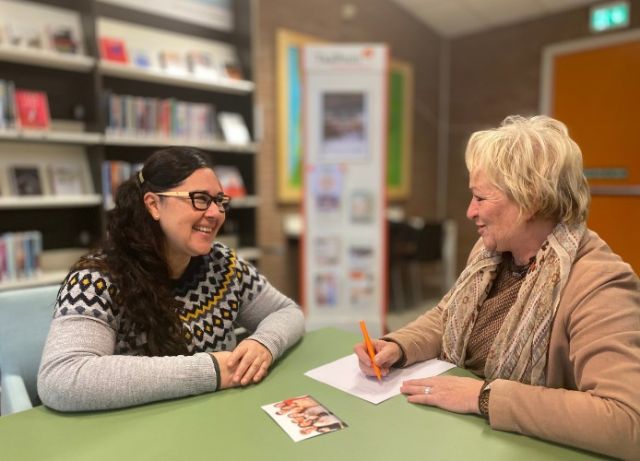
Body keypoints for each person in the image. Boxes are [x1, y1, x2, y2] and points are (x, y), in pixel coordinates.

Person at [354, 115, 640, 459]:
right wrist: (397, 346)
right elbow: (448, 315)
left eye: (480, 198)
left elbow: (627, 422)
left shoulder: (600, 283)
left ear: (530, 200)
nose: (469, 212)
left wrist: (483, 397)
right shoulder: (492, 252)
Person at [38, 147, 305, 412]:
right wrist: (210, 371)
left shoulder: (223, 264)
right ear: (154, 205)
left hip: (217, 421)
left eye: (220, 201)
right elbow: (62, 378)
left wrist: (264, 343)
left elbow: (287, 312)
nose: (215, 214)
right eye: (200, 199)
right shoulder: (95, 280)